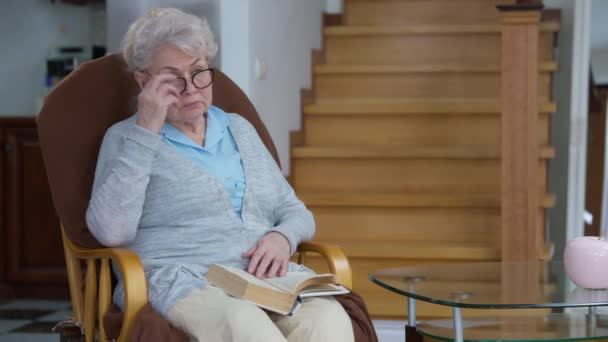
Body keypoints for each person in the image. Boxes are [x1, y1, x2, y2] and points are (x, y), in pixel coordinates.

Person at [85, 7, 354, 342]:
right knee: (245, 325)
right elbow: (112, 231)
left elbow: (295, 210)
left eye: (199, 72)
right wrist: (148, 128)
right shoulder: (126, 138)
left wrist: (281, 238)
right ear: (144, 82)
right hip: (179, 279)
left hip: (261, 277)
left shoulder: (238, 129)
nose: (191, 89)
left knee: (327, 319)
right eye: (172, 79)